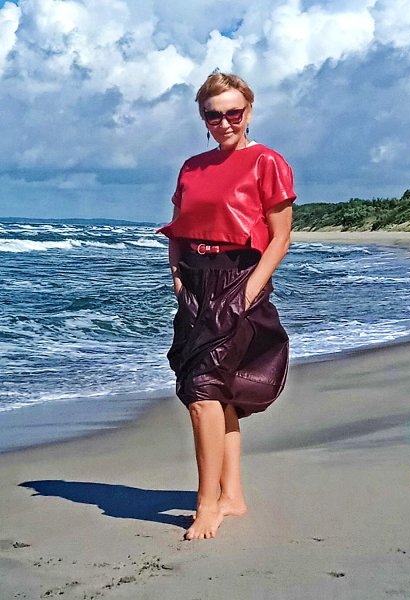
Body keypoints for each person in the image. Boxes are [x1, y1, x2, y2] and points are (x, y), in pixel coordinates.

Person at [157, 72, 296, 540]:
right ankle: (232, 495)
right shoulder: (192, 167)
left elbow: (280, 238)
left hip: (239, 277)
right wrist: (178, 276)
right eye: (213, 115)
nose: (224, 122)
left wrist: (250, 292)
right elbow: (178, 227)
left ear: (248, 112)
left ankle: (207, 505)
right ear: (203, 119)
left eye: (233, 112)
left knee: (201, 394)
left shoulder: (267, 162)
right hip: (196, 280)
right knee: (219, 390)